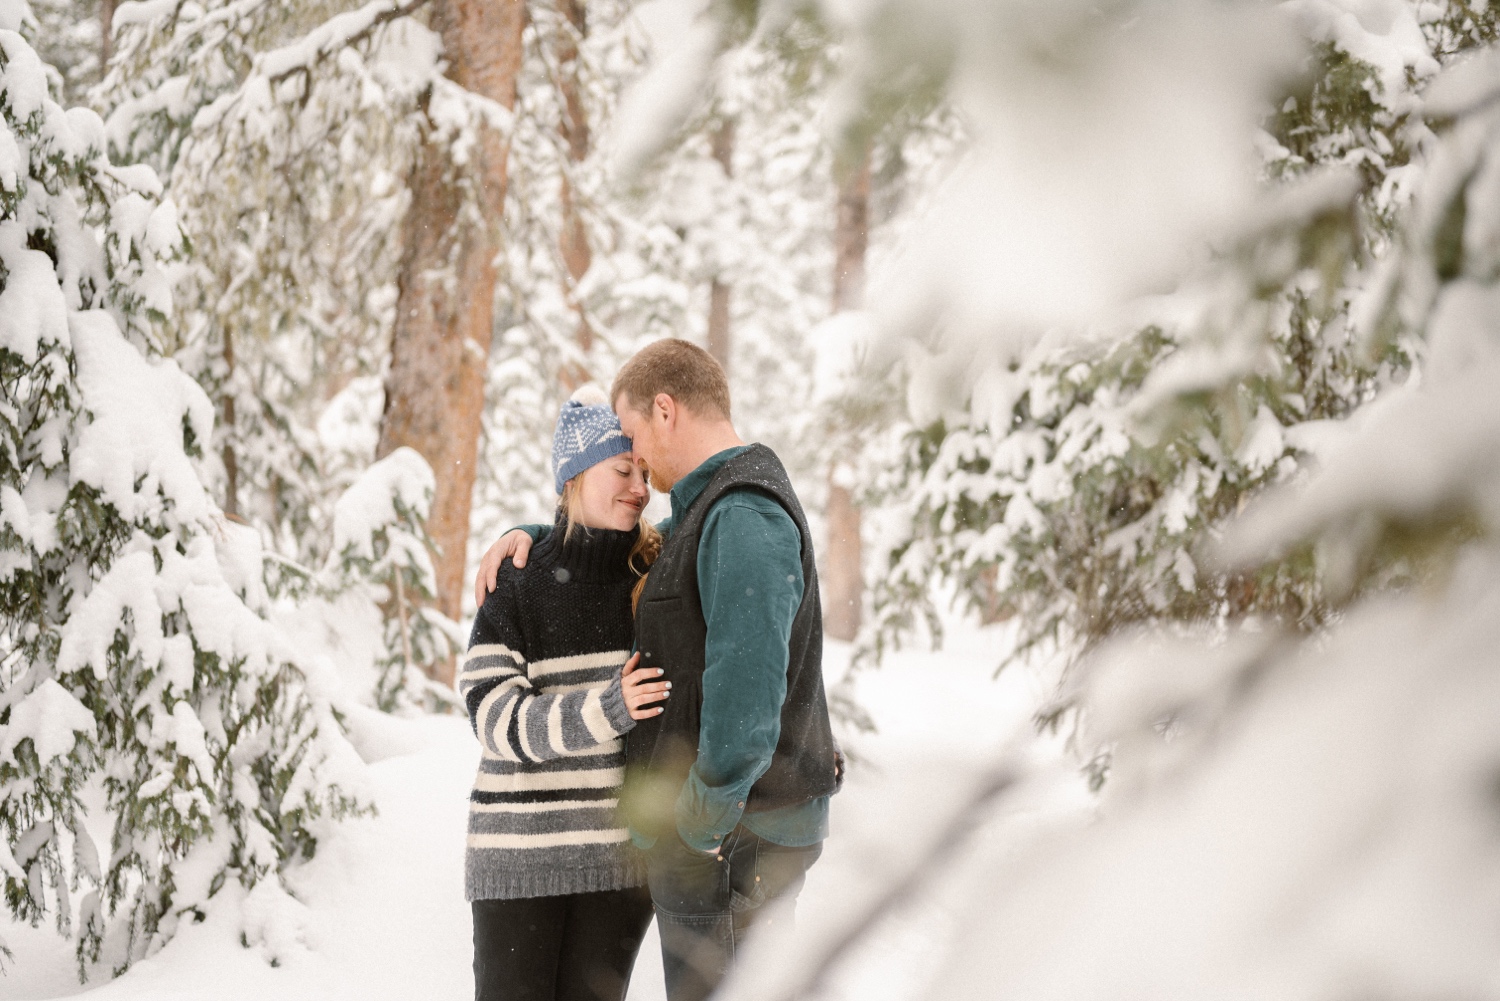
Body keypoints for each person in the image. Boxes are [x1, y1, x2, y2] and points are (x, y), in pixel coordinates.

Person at [476, 340, 841, 1001]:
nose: (638, 462)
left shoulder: (742, 512)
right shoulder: (707, 514)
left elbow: (749, 682)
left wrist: (697, 823)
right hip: (714, 842)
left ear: (665, 410)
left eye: (636, 434)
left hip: (734, 838)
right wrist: (537, 531)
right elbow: (610, 551)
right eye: (620, 461)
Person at [461, 387, 673, 1001]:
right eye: (621, 469)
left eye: (644, 472)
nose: (638, 486)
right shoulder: (517, 581)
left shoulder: (651, 579)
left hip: (617, 870)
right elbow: (494, 719)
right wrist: (605, 709)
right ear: (576, 475)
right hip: (519, 861)